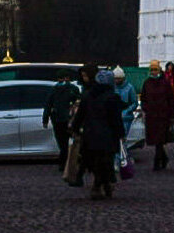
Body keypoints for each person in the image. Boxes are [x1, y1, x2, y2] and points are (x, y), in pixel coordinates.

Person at [71, 65, 125, 199]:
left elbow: (80, 115)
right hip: (107, 135)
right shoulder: (112, 97)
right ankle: (100, 185)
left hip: (90, 134)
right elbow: (116, 119)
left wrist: (75, 128)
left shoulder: (88, 95)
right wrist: (121, 134)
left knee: (95, 161)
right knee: (106, 161)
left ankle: (101, 185)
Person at [140, 59, 174, 170]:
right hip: (151, 116)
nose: (153, 72)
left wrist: (171, 114)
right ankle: (163, 158)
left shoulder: (165, 83)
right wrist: (146, 108)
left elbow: (171, 99)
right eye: (152, 70)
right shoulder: (147, 83)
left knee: (160, 139)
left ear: (159, 70)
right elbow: (143, 98)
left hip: (163, 115)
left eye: (155, 69)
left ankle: (157, 161)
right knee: (157, 140)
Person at [43, 70, 81, 171]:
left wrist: (45, 119)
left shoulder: (55, 89)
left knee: (62, 142)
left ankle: (64, 162)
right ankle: (67, 161)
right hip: (68, 119)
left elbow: (48, 104)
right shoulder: (73, 89)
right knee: (67, 142)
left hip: (59, 119)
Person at [112, 65, 138, 137]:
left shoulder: (130, 88)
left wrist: (127, 110)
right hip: (114, 118)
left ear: (123, 78)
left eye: (118, 78)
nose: (116, 80)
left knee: (124, 139)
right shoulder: (112, 87)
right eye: (115, 78)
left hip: (126, 119)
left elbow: (134, 103)